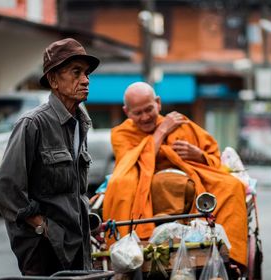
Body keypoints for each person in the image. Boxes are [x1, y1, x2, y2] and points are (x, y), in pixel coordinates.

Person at [103, 81, 248, 270]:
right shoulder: (121, 133)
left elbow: (213, 154)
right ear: (126, 112)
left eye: (149, 109)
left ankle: (230, 257)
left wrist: (199, 155)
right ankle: (130, 248)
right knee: (122, 185)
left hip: (189, 176)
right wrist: (162, 131)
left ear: (158, 103)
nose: (145, 117)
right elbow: (131, 165)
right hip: (145, 182)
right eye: (137, 113)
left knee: (231, 186)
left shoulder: (180, 123)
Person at [0, 38, 100, 276]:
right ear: (53, 80)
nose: (85, 80)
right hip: (43, 246)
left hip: (76, 241)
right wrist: (42, 226)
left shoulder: (81, 123)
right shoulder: (33, 124)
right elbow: (5, 188)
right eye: (76, 72)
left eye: (87, 73)